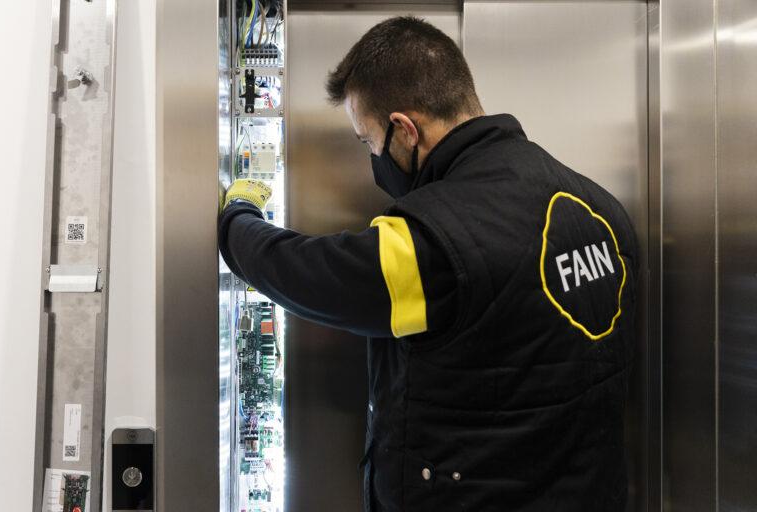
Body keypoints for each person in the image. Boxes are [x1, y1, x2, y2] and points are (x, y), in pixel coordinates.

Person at [219, 16, 638, 512]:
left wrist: (236, 219)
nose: (373, 156)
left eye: (367, 141)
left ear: (405, 130)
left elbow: (308, 274)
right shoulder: (601, 208)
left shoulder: (435, 241)